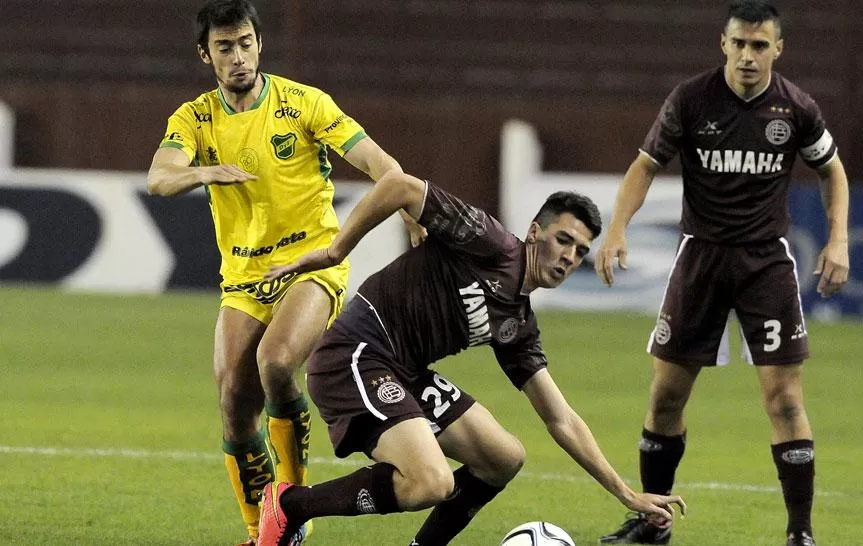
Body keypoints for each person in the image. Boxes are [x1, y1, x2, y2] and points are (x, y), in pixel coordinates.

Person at [254, 172, 687, 546]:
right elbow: (400, 186)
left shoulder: (517, 324)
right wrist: (335, 252)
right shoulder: (489, 241)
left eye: (579, 251)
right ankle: (291, 507)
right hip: (357, 354)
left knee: (504, 457)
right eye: (563, 240)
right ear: (535, 232)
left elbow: (561, 419)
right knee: (432, 482)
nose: (570, 257)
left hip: (406, 372)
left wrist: (626, 493)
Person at [146, 1, 424, 544]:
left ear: (259, 44)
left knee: (275, 362)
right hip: (244, 278)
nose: (238, 56)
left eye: (245, 42)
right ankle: (260, 530)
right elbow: (160, 177)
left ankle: (292, 508)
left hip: (313, 263)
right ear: (206, 54)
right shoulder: (195, 118)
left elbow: (376, 163)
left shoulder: (304, 104)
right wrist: (204, 171)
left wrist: (414, 207)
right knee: (232, 404)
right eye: (224, 47)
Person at [593, 2, 849, 545]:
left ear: (778, 49)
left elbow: (832, 169)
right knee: (665, 398)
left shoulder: (796, 109)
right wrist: (617, 228)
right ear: (723, 44)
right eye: (740, 44)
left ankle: (800, 534)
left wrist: (838, 237)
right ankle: (653, 521)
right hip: (702, 259)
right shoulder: (691, 100)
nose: (749, 56)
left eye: (761, 45)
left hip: (765, 264)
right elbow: (644, 166)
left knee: (784, 400)